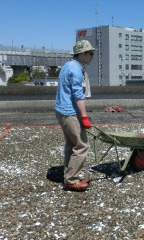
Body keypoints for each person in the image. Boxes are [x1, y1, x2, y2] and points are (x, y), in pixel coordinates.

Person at [55, 40, 96, 191]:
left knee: (71, 145)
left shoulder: (68, 65)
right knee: (81, 145)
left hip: (61, 110)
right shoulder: (76, 70)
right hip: (70, 112)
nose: (92, 56)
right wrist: (84, 116)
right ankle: (71, 180)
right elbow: (78, 95)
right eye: (90, 53)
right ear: (82, 54)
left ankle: (70, 175)